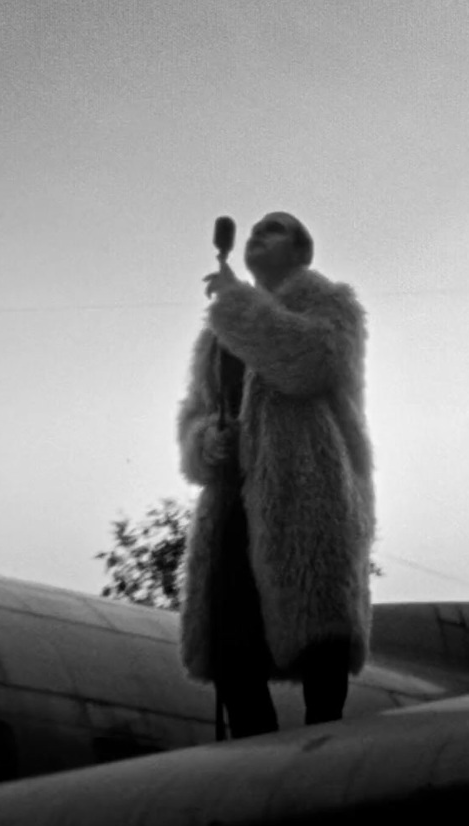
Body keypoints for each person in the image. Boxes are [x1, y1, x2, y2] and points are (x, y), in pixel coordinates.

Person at [176, 211, 375, 738]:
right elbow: (195, 409)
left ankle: (325, 747)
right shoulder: (218, 334)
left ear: (302, 251)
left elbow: (305, 363)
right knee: (232, 643)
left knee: (317, 625)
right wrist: (205, 442)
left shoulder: (330, 304)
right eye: (257, 229)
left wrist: (236, 302)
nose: (259, 233)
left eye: (275, 228)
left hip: (309, 492)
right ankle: (255, 762)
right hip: (234, 501)